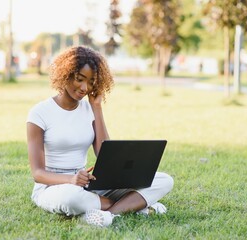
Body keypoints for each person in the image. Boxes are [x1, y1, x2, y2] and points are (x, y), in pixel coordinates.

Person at [26, 46, 174, 227]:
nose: (84, 88)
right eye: (79, 79)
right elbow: (38, 174)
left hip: (86, 184)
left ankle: (108, 214)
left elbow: (105, 154)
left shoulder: (89, 109)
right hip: (53, 187)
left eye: (90, 82)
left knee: (164, 180)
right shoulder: (40, 113)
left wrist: (97, 107)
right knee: (71, 199)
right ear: (65, 74)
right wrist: (71, 180)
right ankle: (136, 205)